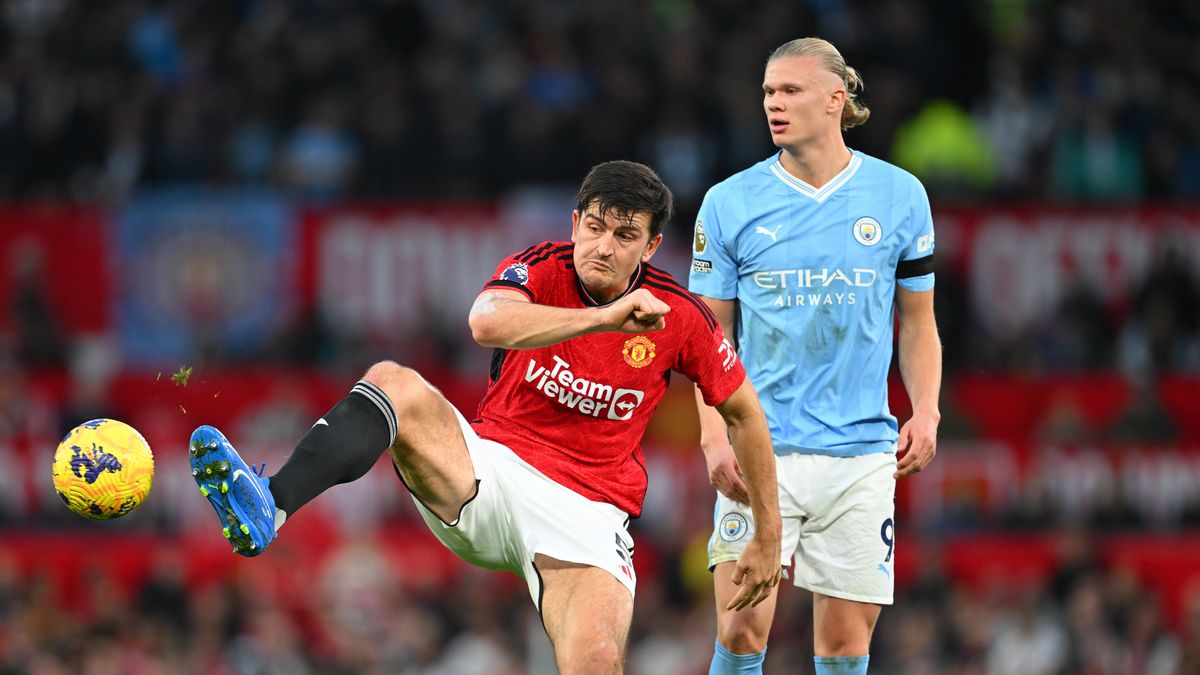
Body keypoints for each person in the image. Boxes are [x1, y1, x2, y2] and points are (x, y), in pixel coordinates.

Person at [189, 160, 783, 674]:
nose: (603, 246)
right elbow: (485, 323)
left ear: (650, 247)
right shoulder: (539, 266)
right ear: (575, 224)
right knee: (394, 382)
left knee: (598, 661)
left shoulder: (680, 315)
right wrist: (605, 319)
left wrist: (768, 531)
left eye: (625, 235)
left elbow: (746, 415)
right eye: (595, 227)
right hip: (487, 474)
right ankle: (272, 503)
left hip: (589, 514)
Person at [688, 38, 942, 675]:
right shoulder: (729, 202)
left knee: (844, 644)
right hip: (760, 449)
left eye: (790, 91)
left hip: (861, 455)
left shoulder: (900, 195)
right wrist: (714, 436)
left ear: (836, 99)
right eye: (768, 93)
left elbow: (918, 323)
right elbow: (705, 337)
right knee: (741, 628)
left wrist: (927, 410)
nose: (773, 104)